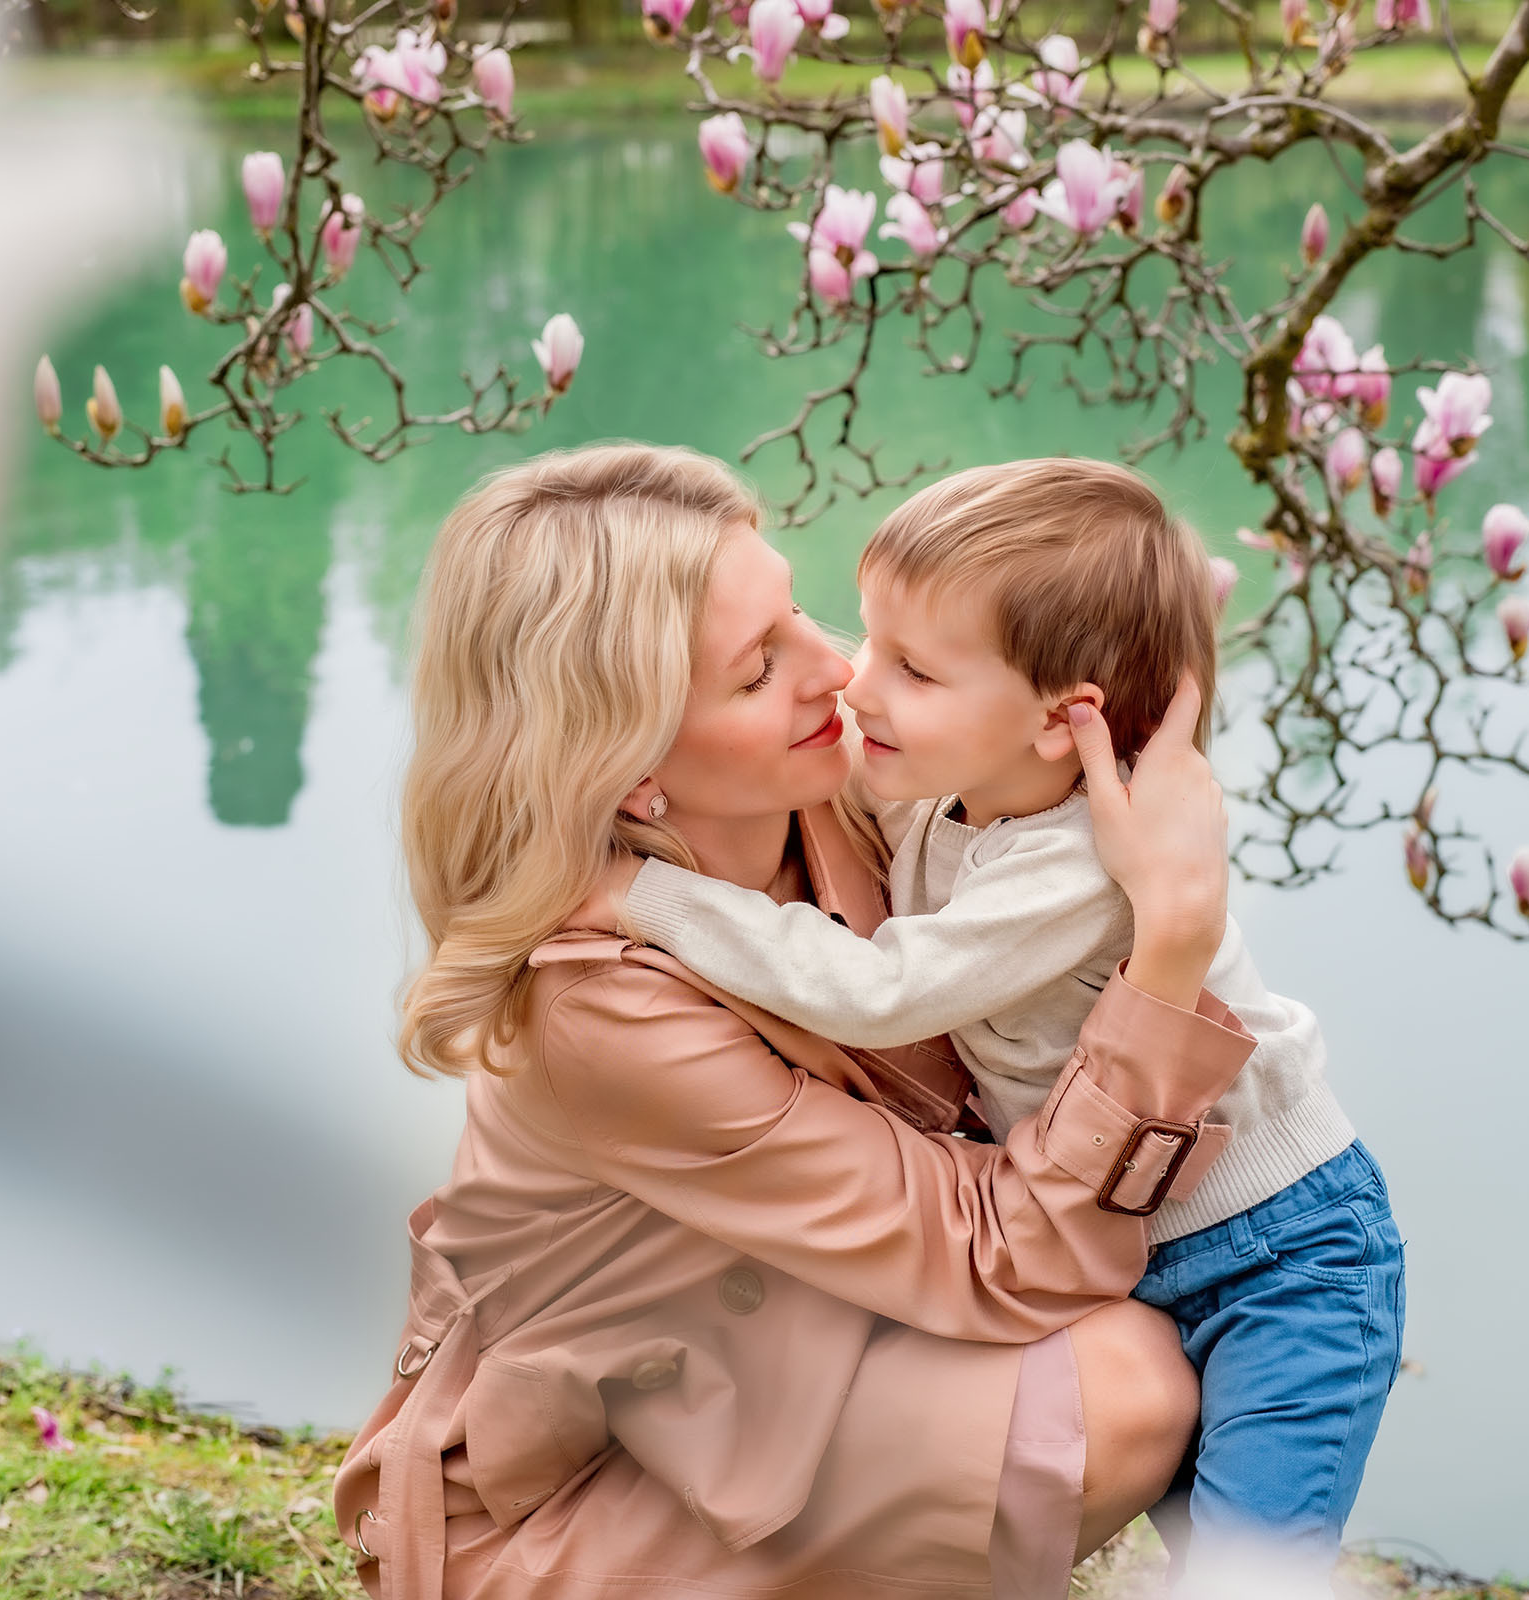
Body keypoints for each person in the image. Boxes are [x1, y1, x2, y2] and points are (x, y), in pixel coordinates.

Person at [332, 443, 1256, 1600]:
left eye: (798, 612)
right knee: (1125, 1384)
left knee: (1207, 1307)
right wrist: (1167, 953)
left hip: (765, 1402)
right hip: (571, 1514)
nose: (839, 671)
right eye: (758, 667)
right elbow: (1005, 1255)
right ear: (628, 771)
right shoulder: (595, 1009)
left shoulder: (853, 805)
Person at [613, 459, 1406, 1582]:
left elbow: (878, 989)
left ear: (1059, 720)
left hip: (1279, 1256)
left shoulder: (1074, 859)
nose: (853, 676)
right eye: (872, 640)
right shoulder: (960, 788)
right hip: (1135, 1237)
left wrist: (649, 897)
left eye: (911, 668)